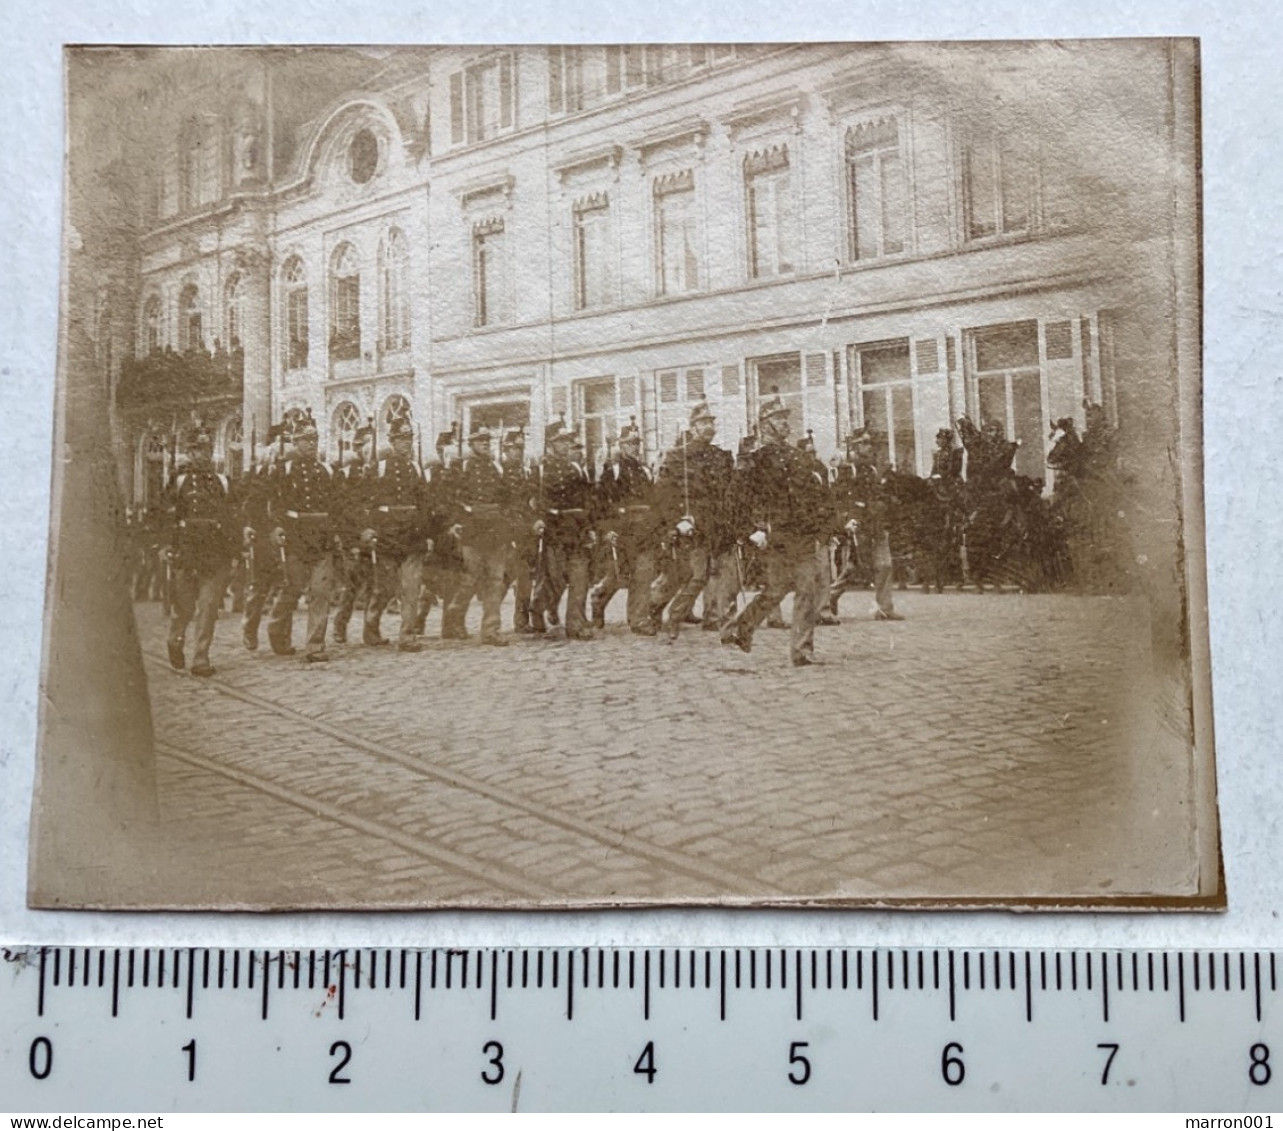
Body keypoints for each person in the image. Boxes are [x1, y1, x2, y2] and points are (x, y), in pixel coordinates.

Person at [720, 396, 834, 666]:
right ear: (764, 424)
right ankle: (741, 627)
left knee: (807, 588)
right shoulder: (754, 459)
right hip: (774, 535)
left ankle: (802, 651)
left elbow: (811, 495)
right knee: (776, 589)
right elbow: (735, 499)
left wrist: (822, 529)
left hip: (801, 534)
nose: (785, 423)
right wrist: (749, 531)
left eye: (786, 418)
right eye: (779, 419)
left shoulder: (797, 456)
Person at [650, 401, 737, 640]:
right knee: (695, 577)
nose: (709, 427)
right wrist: (677, 521)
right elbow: (663, 494)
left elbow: (731, 492)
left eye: (711, 422)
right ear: (693, 427)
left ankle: (727, 628)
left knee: (727, 577)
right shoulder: (678, 456)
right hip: (692, 527)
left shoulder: (721, 457)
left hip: (719, 526)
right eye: (703, 423)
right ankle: (671, 617)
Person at [162, 422, 238, 676]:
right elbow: (165, 516)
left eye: (206, 450)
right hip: (186, 550)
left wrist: (235, 552)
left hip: (215, 552)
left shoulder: (223, 481)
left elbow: (232, 518)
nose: (202, 455)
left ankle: (201, 657)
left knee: (208, 607)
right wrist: (165, 545)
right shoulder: (179, 480)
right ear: (189, 452)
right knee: (184, 607)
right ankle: (175, 638)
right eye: (197, 450)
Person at [264, 412, 337, 661]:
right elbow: (272, 503)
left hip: (321, 537)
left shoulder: (326, 470)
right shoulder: (283, 470)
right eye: (305, 440)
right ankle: (276, 629)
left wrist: (337, 533)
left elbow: (337, 505)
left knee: (320, 592)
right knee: (292, 589)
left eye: (314, 439)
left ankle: (315, 646)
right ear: (295, 442)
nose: (311, 444)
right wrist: (275, 527)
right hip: (295, 538)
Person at [362, 414, 431, 651]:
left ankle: (407, 636)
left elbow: (424, 503)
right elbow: (365, 502)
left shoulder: (415, 468)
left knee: (411, 587)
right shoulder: (379, 467)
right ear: (392, 440)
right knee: (385, 587)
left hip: (412, 534)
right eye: (401, 438)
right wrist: (369, 528)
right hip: (387, 534)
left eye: (409, 438)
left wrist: (426, 532)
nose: (406, 443)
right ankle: (371, 625)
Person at [589, 418, 661, 634]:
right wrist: (607, 529)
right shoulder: (613, 470)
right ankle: (599, 599)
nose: (634, 447)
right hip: (622, 530)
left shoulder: (645, 471)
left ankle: (638, 620)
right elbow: (601, 504)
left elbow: (652, 503)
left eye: (637, 443)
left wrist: (655, 528)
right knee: (618, 575)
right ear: (620, 445)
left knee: (644, 573)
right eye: (630, 443)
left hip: (644, 530)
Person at [443, 424, 511, 645]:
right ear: (470, 444)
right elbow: (450, 498)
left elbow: (506, 496)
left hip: (494, 529)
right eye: (480, 441)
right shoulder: (460, 467)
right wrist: (455, 522)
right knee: (470, 579)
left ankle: (491, 630)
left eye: (487, 441)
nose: (485, 444)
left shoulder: (496, 467)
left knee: (495, 580)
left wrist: (505, 520)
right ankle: (454, 612)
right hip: (471, 529)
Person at [828, 430, 903, 621]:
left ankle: (885, 608)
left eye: (870, 444)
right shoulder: (848, 470)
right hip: (859, 524)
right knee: (858, 567)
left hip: (875, 523)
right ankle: (831, 596)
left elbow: (877, 494)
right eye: (865, 443)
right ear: (855, 446)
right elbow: (840, 497)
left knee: (885, 564)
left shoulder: (872, 469)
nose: (869, 447)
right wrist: (848, 519)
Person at [532, 419, 595, 640]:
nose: (566, 444)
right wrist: (537, 520)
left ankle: (575, 624)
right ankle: (537, 608)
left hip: (575, 530)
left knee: (579, 577)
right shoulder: (540, 469)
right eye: (561, 441)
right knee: (555, 580)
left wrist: (589, 528)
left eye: (568, 440)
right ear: (550, 444)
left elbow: (586, 500)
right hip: (553, 531)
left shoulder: (575, 468)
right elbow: (531, 499)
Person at [331, 422, 376, 645]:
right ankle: (340, 625)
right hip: (355, 540)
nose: (369, 451)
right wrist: (353, 541)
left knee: (374, 586)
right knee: (352, 586)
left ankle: (371, 631)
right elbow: (344, 511)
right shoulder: (348, 475)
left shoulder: (377, 471)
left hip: (375, 537)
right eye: (365, 447)